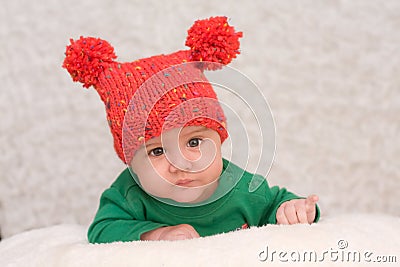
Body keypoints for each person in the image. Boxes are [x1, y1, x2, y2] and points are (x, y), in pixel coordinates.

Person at [63, 16, 319, 243]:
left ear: (219, 141)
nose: (180, 162)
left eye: (194, 142)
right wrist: (157, 234)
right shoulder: (130, 194)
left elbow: (277, 202)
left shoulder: (242, 188)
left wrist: (293, 209)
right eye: (157, 151)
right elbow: (102, 230)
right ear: (131, 162)